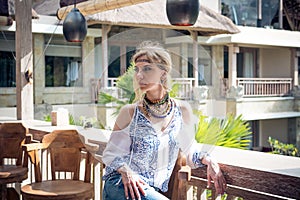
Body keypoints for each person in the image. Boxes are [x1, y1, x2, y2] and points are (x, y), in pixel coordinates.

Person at [102, 41, 226, 200]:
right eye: (137, 69)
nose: (139, 75)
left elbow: (189, 151)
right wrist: (127, 172)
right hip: (121, 185)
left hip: (150, 192)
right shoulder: (130, 112)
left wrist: (209, 161)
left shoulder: (182, 110)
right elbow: (111, 154)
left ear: (163, 73)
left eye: (147, 69)